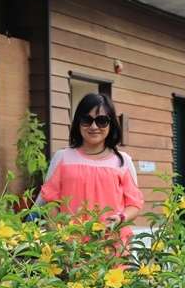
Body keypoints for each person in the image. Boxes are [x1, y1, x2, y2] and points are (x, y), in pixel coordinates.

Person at [40, 92, 144, 252]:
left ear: (111, 124)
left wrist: (121, 218)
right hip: (71, 248)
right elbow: (51, 202)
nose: (94, 127)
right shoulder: (63, 157)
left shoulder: (122, 161)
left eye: (102, 121)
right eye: (87, 120)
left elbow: (134, 204)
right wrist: (58, 240)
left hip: (111, 247)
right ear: (78, 122)